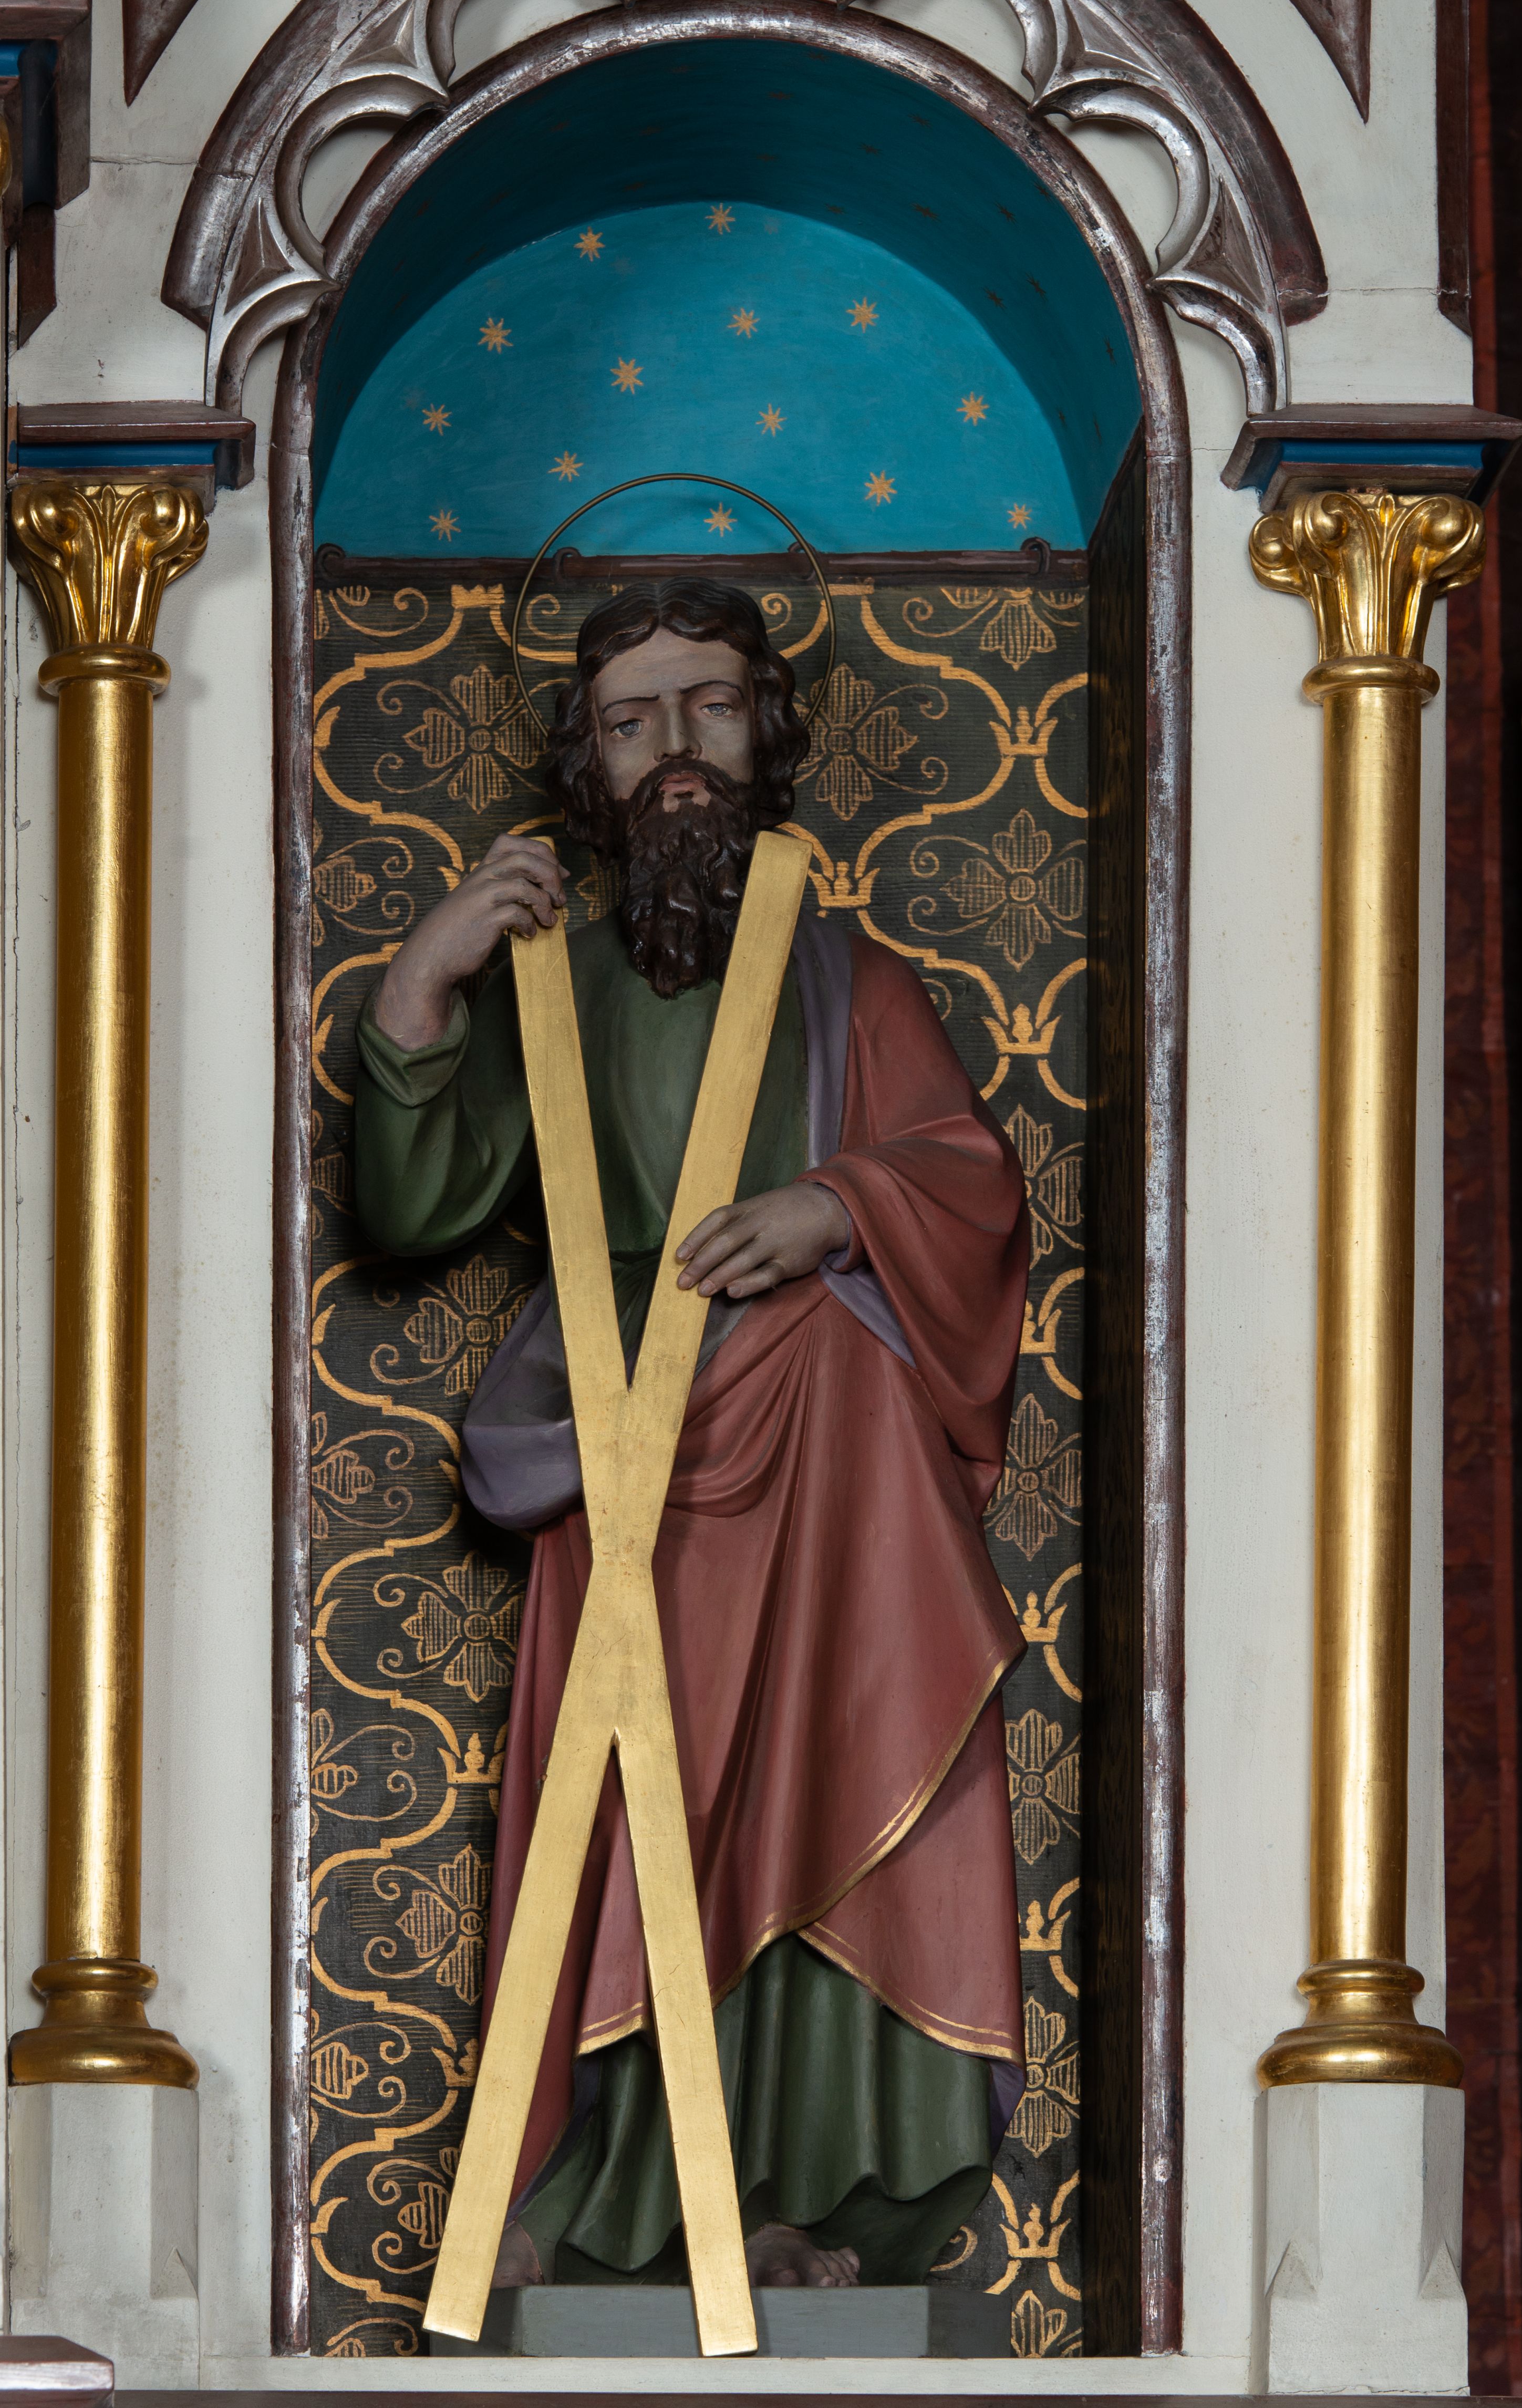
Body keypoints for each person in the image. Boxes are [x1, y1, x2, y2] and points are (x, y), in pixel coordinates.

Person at [355, 577, 1029, 2293]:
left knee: (824, 1786)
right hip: (637, 1451)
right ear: (587, 759)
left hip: (837, 1475)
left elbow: (968, 1176)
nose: (674, 746)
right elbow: (419, 1204)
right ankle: (625, 2197)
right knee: (651, 1819)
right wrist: (428, 977)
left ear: (765, 731)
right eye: (631, 717)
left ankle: (802, 2190)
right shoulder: (564, 980)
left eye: (711, 704)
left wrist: (833, 1206)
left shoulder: (848, 976)